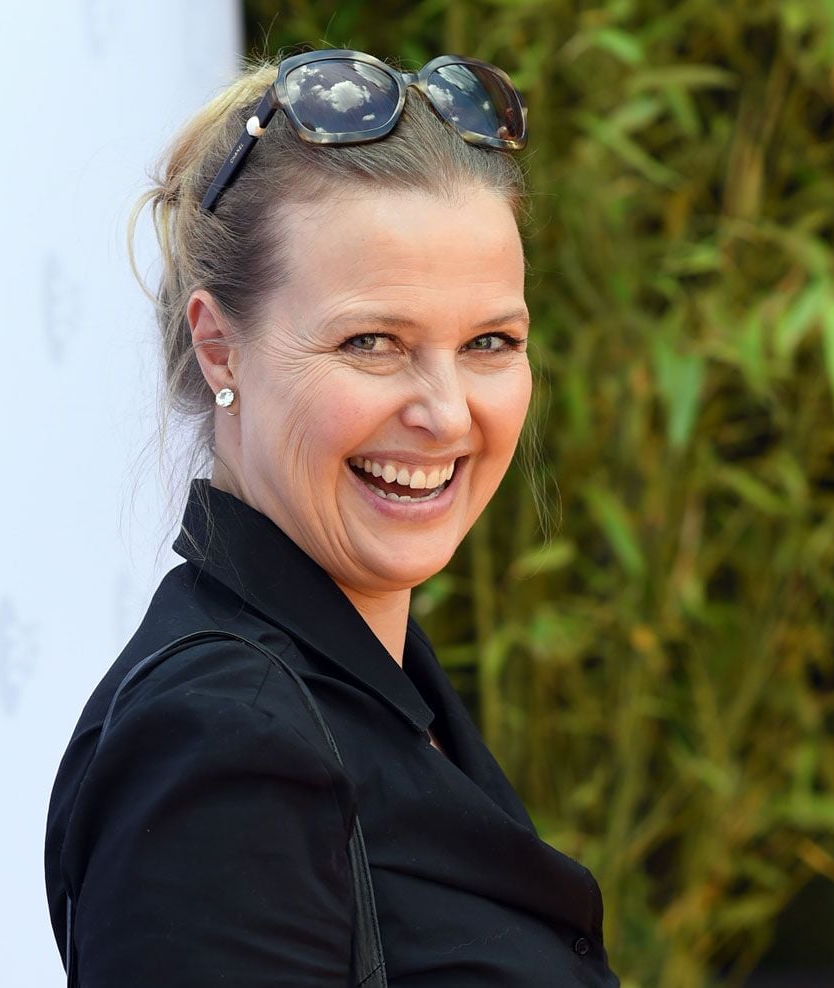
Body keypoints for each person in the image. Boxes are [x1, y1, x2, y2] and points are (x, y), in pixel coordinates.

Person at [44, 49, 622, 987]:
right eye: (372, 342)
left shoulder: (375, 687)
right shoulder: (224, 747)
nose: (446, 414)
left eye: (490, 341)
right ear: (219, 346)